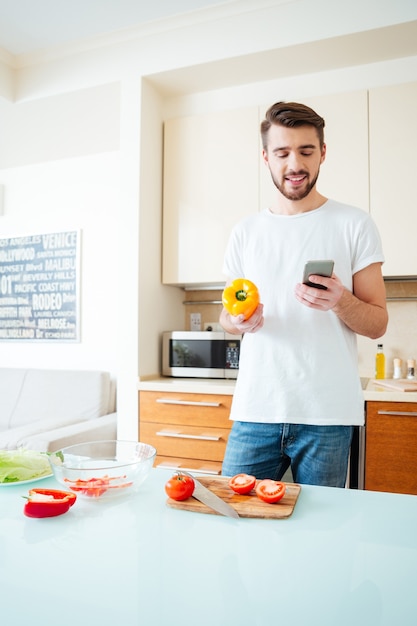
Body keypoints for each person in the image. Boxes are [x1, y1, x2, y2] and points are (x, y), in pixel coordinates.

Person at [219, 101, 388, 488]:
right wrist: (240, 321)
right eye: (282, 153)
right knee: (234, 519)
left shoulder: (354, 224)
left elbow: (378, 323)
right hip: (255, 411)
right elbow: (226, 318)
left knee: (320, 536)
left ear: (322, 153)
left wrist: (341, 301)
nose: (294, 164)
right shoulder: (245, 232)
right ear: (266, 158)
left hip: (327, 416)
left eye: (306, 151)